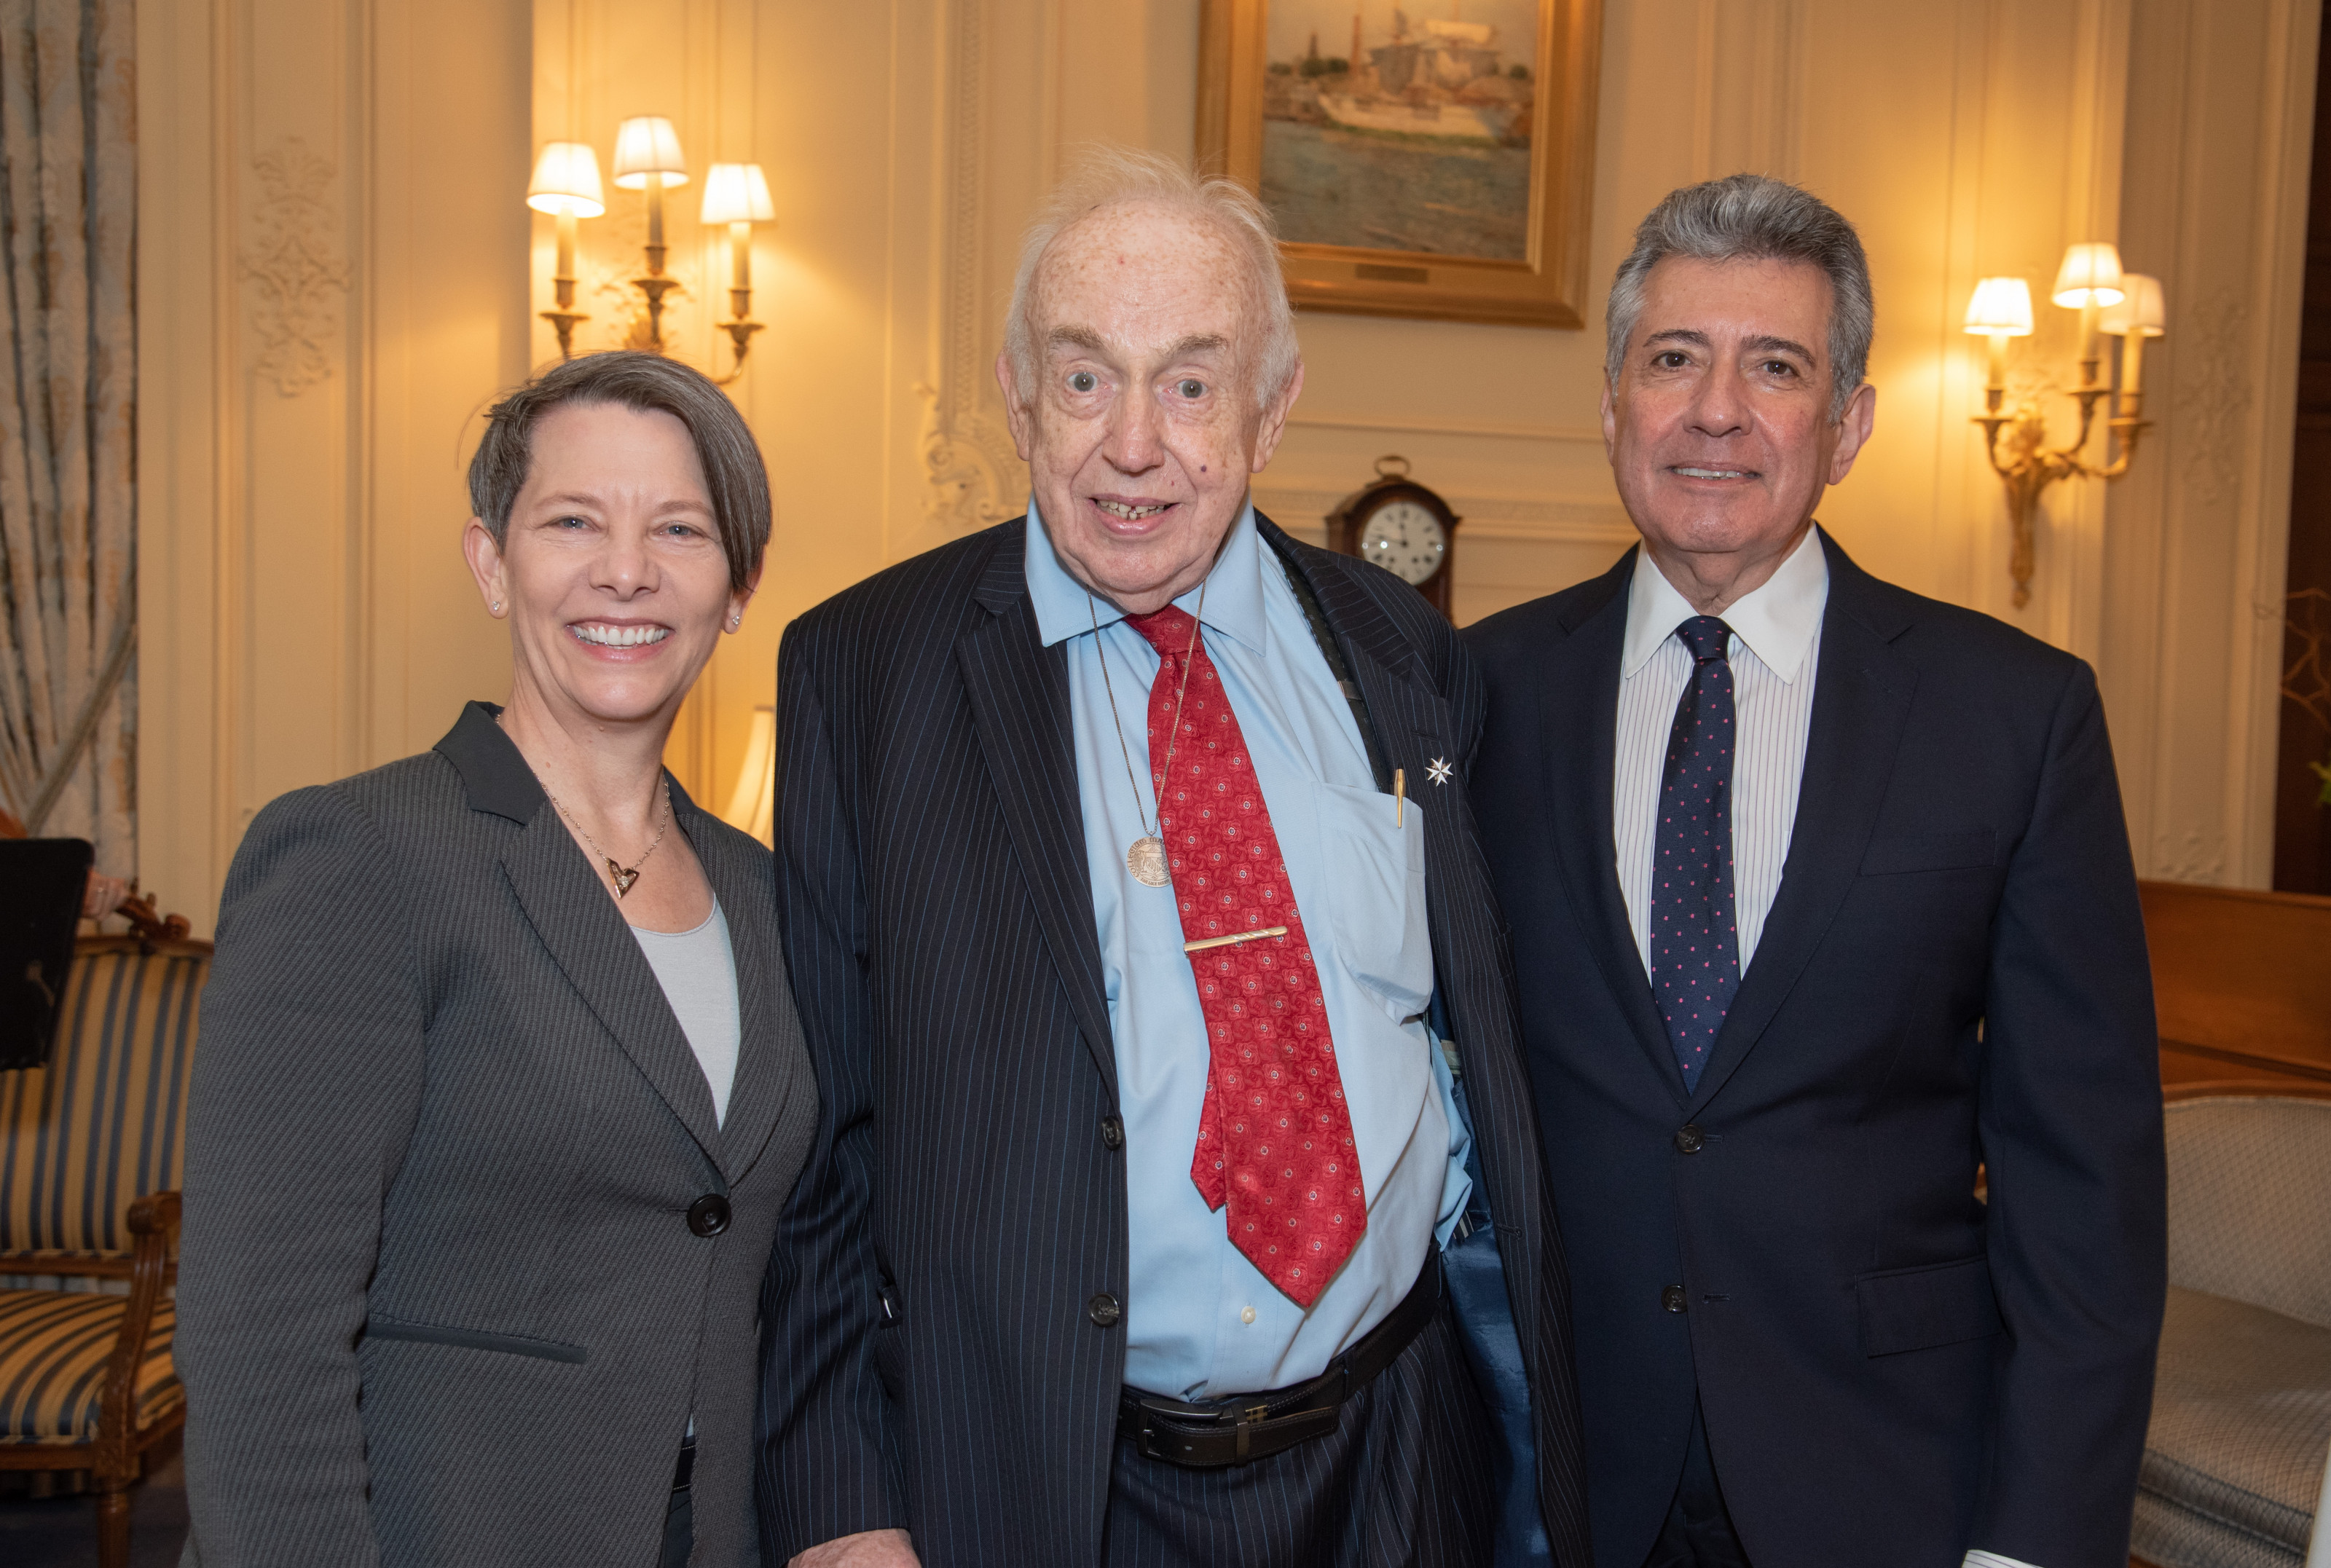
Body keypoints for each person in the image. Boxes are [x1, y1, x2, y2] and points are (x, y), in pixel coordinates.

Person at [757, 149, 1590, 1568]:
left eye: (1191, 383)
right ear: (1018, 389)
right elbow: (814, 1154)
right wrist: (843, 1503)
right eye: (1085, 377)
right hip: (1048, 1488)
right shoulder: (865, 676)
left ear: (1274, 407)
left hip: (1393, 1459)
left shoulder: (1407, 658)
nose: (1131, 442)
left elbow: (1471, 1045)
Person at [1463, 174, 2166, 1568]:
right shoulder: (1476, 696)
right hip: (1555, 1484)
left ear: (1845, 425)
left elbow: (2083, 1192)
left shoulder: (2015, 718)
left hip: (1890, 1483)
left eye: (1773, 366)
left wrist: (2034, 1545)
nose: (1714, 409)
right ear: (1613, 403)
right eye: (1674, 359)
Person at [176, 352, 818, 1568]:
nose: (625, 570)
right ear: (491, 561)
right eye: (573, 520)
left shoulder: (773, 896)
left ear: (738, 585)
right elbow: (262, 1339)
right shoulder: (360, 855)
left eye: (679, 528)